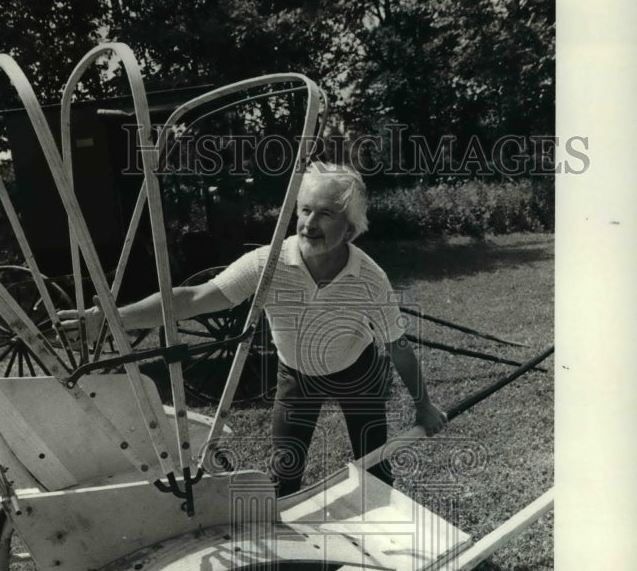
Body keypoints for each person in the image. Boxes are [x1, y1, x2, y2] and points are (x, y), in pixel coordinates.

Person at [65, 162, 447, 495]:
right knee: (283, 476)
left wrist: (424, 406)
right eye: (305, 210)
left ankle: (384, 546)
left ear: (349, 230)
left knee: (375, 468)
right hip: (297, 376)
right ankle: (284, 562)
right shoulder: (268, 263)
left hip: (357, 371)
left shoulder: (369, 278)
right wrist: (112, 317)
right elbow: (194, 298)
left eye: (326, 214)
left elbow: (398, 347)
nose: (309, 224)